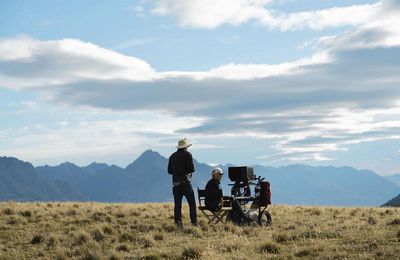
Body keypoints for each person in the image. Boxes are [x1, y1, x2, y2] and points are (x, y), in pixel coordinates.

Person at [168, 138, 197, 227]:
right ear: (186, 147)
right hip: (186, 183)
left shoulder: (172, 156)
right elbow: (192, 169)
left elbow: (169, 171)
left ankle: (178, 223)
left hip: (176, 184)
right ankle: (194, 222)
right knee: (192, 204)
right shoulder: (188, 155)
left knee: (177, 205)